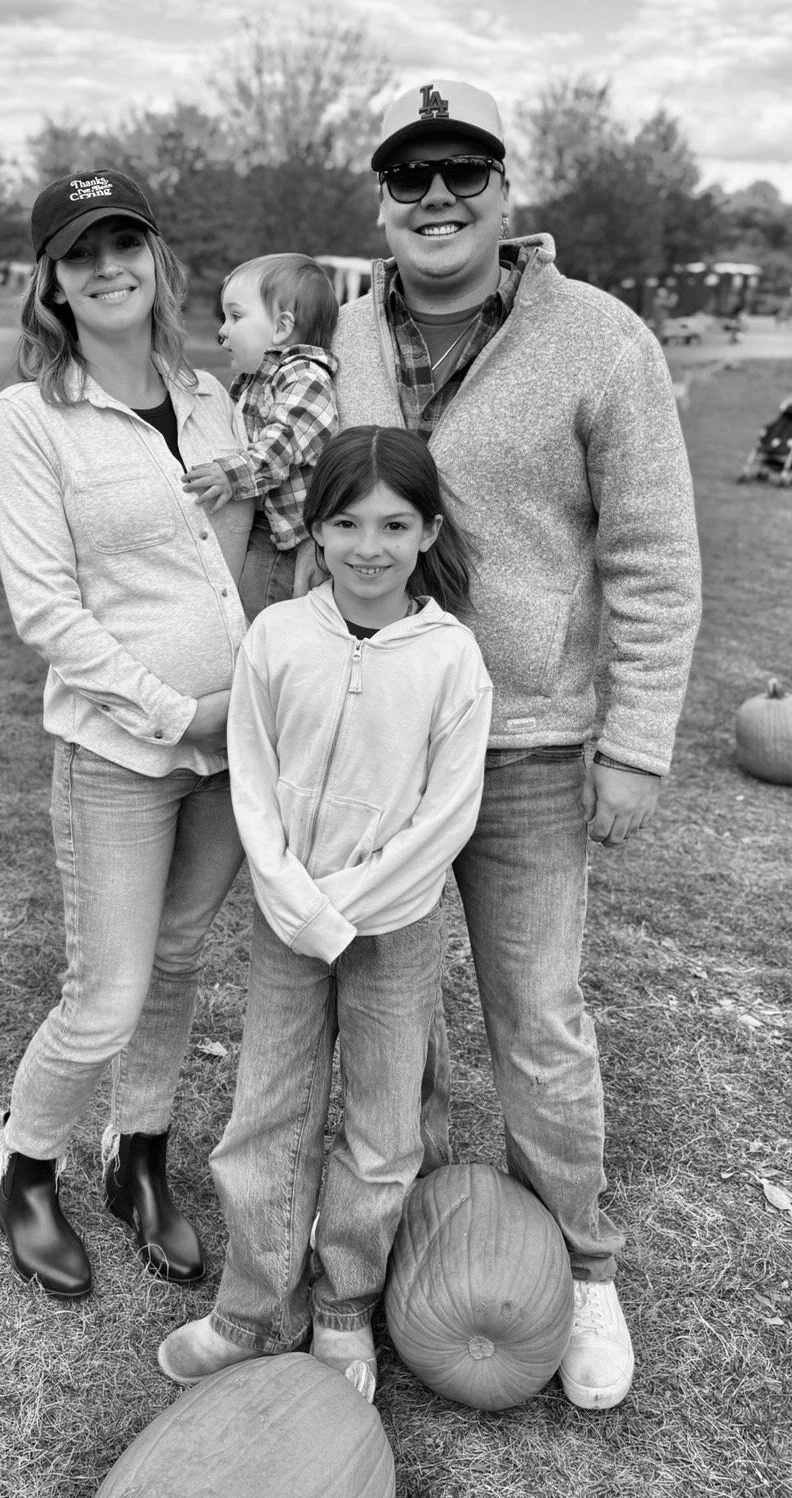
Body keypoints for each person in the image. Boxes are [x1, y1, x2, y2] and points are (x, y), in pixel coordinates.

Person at [316, 79, 703, 1410]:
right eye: (409, 175)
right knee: (386, 1023)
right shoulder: (343, 332)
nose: (435, 198)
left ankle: (582, 1267)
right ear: (380, 196)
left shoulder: (600, 341)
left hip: (533, 742)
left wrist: (638, 739)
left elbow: (654, 558)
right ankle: (371, 1280)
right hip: (383, 737)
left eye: (462, 173)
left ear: (505, 192)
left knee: (539, 1019)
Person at [157, 426, 493, 1400]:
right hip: (283, 917)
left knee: (381, 1128)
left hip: (395, 927)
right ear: (315, 528)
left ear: (427, 530)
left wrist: (343, 904)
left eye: (393, 524)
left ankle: (343, 1305)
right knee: (266, 1111)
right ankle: (254, 1308)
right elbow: (252, 783)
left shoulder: (449, 660)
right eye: (344, 522)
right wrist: (294, 897)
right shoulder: (276, 639)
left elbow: (446, 815)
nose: (368, 546)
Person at [0, 168, 250, 1298]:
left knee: (183, 960)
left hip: (235, 746)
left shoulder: (207, 396)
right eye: (79, 252)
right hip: (124, 752)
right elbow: (45, 608)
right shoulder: (30, 417)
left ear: (155, 258)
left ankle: (139, 1156)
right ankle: (25, 1169)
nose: (106, 268)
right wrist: (169, 709)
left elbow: (235, 562)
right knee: (106, 990)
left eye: (122, 243)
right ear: (50, 280)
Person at [181, 253, 339, 620]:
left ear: (282, 328)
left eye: (235, 317)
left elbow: (279, 446)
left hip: (288, 541)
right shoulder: (257, 381)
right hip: (262, 527)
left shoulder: (305, 377)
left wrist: (229, 476)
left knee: (257, 617)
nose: (222, 331)